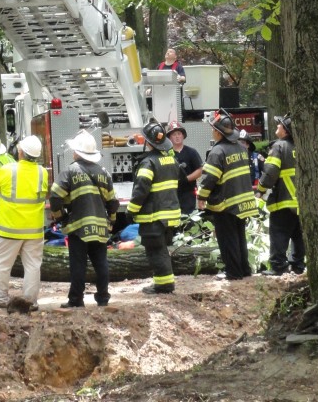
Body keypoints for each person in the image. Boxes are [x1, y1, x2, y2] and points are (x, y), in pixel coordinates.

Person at [50, 130, 118, 308]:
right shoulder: (104, 173)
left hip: (78, 228)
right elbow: (113, 203)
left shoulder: (70, 171)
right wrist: (111, 222)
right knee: (101, 263)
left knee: (78, 265)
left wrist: (61, 217)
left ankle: (76, 300)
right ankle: (103, 298)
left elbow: (55, 197)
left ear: (76, 152)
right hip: (100, 227)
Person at [0, 134, 49, 310]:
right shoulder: (43, 172)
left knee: (2, 264)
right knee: (33, 266)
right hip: (34, 230)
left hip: (9, 229)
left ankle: (0, 299)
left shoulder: (7, 170)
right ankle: (30, 301)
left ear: (20, 152)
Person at [196, 111, 257, 280]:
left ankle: (233, 273)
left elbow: (209, 180)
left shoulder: (217, 152)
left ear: (218, 132)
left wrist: (201, 197)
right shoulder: (241, 148)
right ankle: (244, 269)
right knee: (239, 237)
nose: (212, 132)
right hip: (243, 202)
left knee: (227, 239)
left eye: (213, 129)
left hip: (226, 204)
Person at [127, 119, 181, 294]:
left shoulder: (148, 163)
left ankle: (163, 285)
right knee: (162, 249)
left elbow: (141, 189)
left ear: (148, 142)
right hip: (169, 214)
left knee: (155, 250)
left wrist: (131, 210)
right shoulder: (171, 160)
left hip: (154, 215)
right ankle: (165, 282)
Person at [256, 115, 305, 276]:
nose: (277, 126)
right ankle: (297, 266)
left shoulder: (279, 146)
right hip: (301, 202)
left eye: (280, 125)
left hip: (283, 200)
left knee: (278, 233)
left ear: (285, 130)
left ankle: (278, 266)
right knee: (298, 234)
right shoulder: (302, 147)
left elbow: (270, 172)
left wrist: (261, 189)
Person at [166, 120, 203, 215]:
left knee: (188, 217)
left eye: (179, 133)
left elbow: (200, 170)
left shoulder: (191, 152)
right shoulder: (166, 154)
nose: (177, 136)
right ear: (169, 137)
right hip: (171, 193)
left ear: (183, 136)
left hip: (188, 192)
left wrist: (186, 179)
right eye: (174, 134)